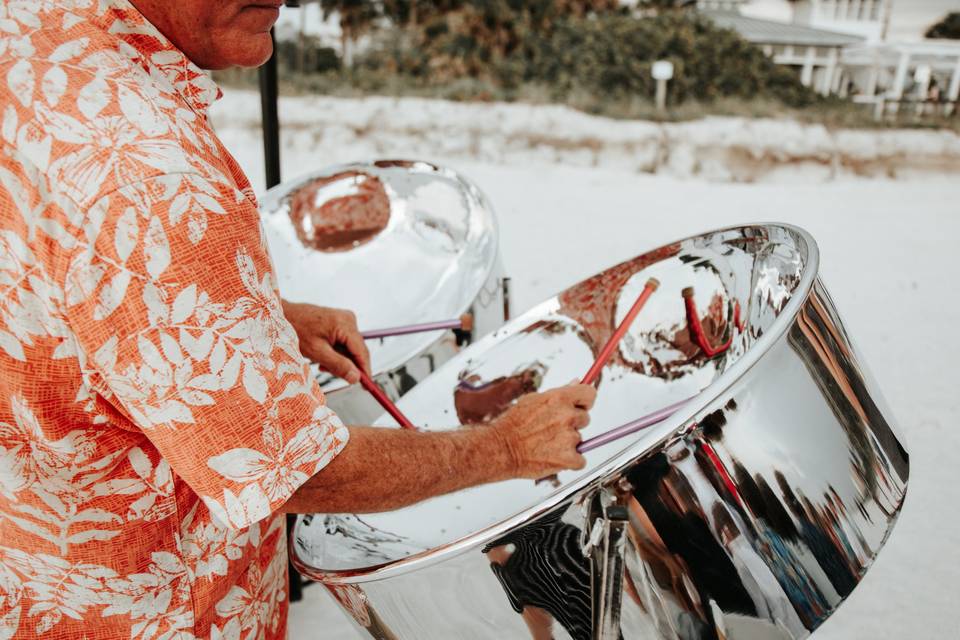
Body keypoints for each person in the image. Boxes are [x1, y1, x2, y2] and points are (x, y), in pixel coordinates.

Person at [0, 2, 596, 638]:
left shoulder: (31, 40)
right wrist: (503, 447)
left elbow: (56, 267)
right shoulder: (145, 168)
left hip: (36, 577)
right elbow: (289, 469)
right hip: (151, 615)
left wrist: (255, 314)